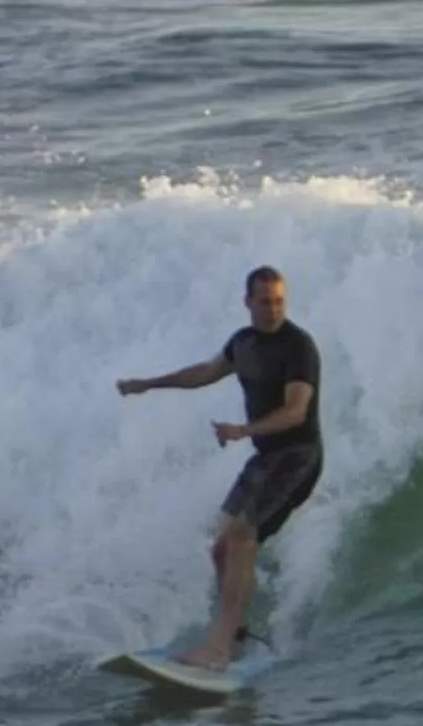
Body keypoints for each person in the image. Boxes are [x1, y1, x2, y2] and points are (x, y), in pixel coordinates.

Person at [115, 266, 323, 670]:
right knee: (222, 548)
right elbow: (206, 372)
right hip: (265, 458)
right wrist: (149, 384)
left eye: (280, 300)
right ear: (247, 302)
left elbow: (297, 411)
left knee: (244, 537)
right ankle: (239, 635)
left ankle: (219, 650)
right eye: (265, 301)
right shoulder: (243, 342)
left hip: (298, 457)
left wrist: (244, 429)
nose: (273, 309)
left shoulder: (299, 347)